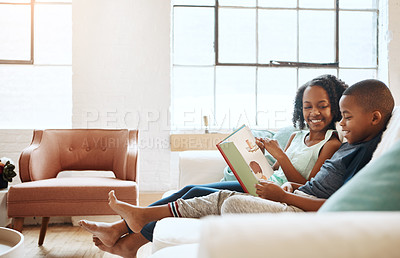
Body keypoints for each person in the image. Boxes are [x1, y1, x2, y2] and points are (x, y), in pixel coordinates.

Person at [80, 79, 394, 257]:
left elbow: (327, 195)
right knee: (192, 191)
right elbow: (309, 183)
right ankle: (129, 229)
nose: (339, 122)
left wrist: (283, 188)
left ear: (375, 118)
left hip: (285, 199)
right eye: (308, 106)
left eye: (341, 115)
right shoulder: (337, 142)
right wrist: (269, 168)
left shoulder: (345, 147)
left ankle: (132, 226)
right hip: (281, 191)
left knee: (214, 198)